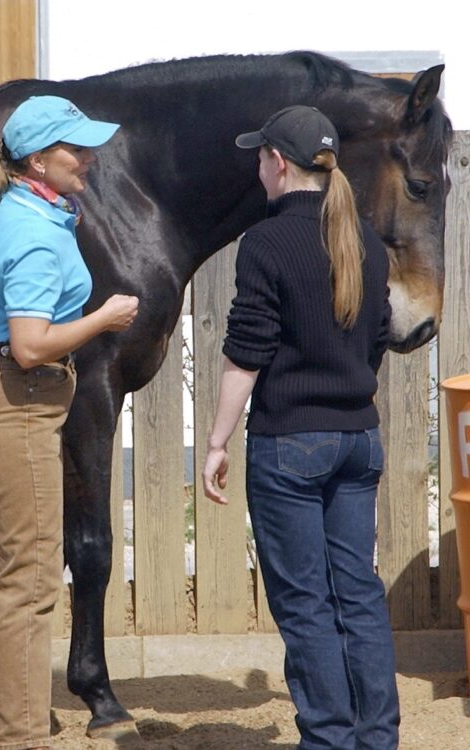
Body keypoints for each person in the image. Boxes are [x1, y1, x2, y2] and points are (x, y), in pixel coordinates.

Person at [0, 96, 139, 750]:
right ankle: (19, 739)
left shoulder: (3, 197)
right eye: (76, 149)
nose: (88, 159)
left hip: (1, 400)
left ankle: (8, 730)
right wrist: (105, 317)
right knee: (32, 582)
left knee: (22, 576)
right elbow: (32, 344)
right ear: (39, 159)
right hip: (18, 399)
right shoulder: (34, 234)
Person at [201, 105, 397, 749]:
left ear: (277, 163)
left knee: (307, 605)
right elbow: (375, 339)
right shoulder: (365, 239)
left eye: (260, 156)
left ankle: (328, 739)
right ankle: (375, 739)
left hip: (291, 444)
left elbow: (246, 354)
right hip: (358, 440)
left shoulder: (265, 242)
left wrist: (217, 442)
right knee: (359, 596)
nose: (257, 165)